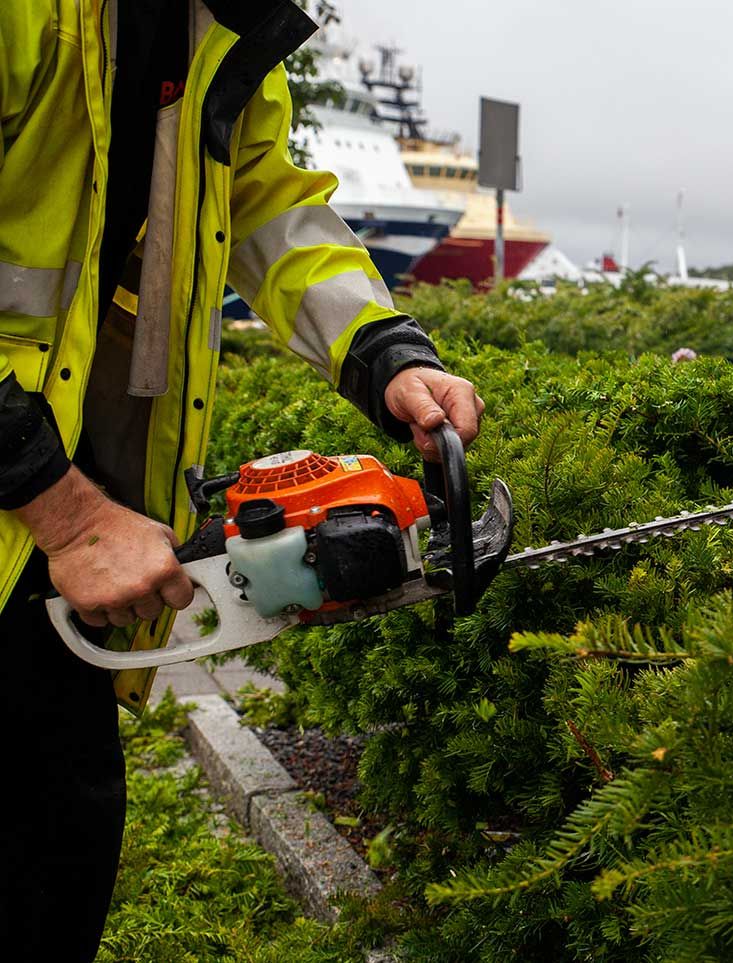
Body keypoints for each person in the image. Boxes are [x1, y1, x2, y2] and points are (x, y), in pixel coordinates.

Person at [0, 1, 484, 958]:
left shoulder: (213, 24)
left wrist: (383, 351)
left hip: (41, 531)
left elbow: (263, 197)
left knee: (57, 847)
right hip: (40, 498)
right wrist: (69, 515)